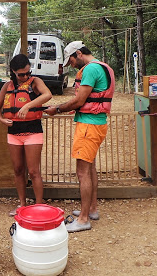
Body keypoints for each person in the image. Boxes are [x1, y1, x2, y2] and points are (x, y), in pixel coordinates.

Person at [45, 41, 115, 233]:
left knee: (82, 172)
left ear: (78, 53)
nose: (72, 65)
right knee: (90, 167)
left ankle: (83, 220)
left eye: (72, 60)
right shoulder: (104, 66)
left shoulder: (91, 69)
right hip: (97, 123)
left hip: (88, 126)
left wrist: (57, 109)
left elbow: (79, 100)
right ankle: (92, 209)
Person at [0, 54, 52, 216]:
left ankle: (39, 206)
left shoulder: (36, 82)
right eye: (21, 74)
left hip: (33, 130)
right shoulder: (7, 86)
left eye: (28, 72)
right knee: (18, 170)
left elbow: (47, 95)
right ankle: (22, 204)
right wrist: (1, 120)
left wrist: (28, 105)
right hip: (13, 132)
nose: (25, 76)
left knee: (33, 171)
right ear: (13, 71)